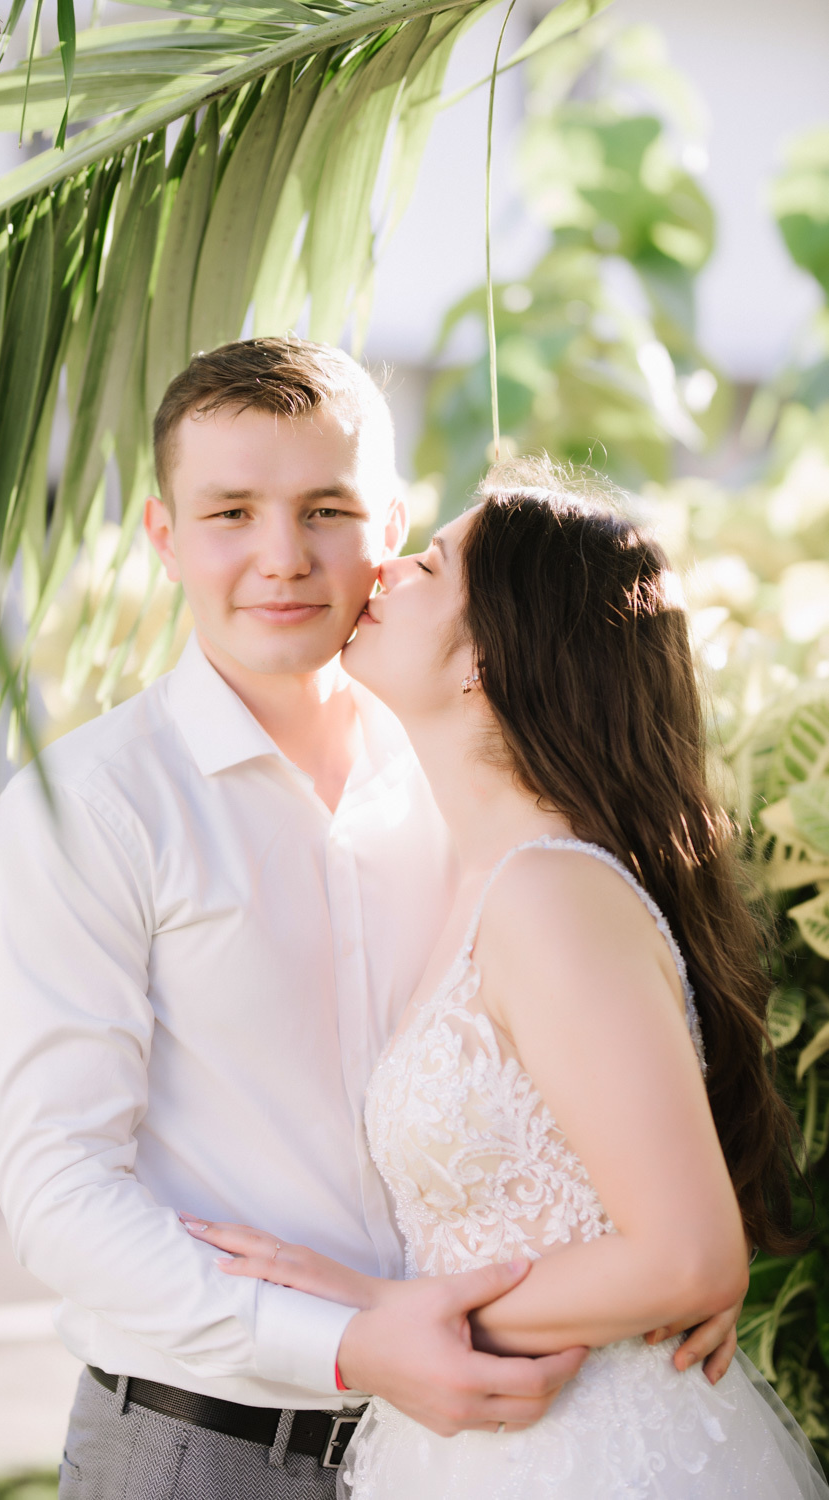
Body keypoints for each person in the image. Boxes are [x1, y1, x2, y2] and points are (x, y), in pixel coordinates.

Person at [0, 342, 741, 1500]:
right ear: (164, 536)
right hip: (201, 1448)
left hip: (488, 1442)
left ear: (391, 524)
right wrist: (351, 1341)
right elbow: (62, 1200)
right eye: (229, 512)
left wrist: (663, 1265)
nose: (282, 557)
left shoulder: (473, 792)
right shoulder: (87, 816)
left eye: (327, 509)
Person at [184, 465, 829, 1498]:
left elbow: (689, 1261)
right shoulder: (474, 876)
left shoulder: (547, 896)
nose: (385, 570)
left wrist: (387, 1314)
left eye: (429, 563)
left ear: (487, 656)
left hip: (593, 1459)